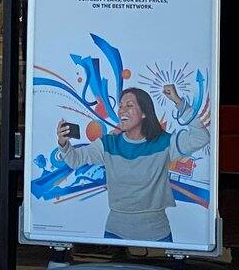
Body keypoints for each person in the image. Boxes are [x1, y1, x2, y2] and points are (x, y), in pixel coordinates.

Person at [57, 83, 208, 242]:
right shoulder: (108, 144)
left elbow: (201, 137)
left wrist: (179, 102)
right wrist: (63, 143)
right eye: (121, 106)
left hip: (157, 233)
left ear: (144, 113)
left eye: (129, 105)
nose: (122, 110)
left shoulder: (164, 142)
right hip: (115, 232)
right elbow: (74, 160)